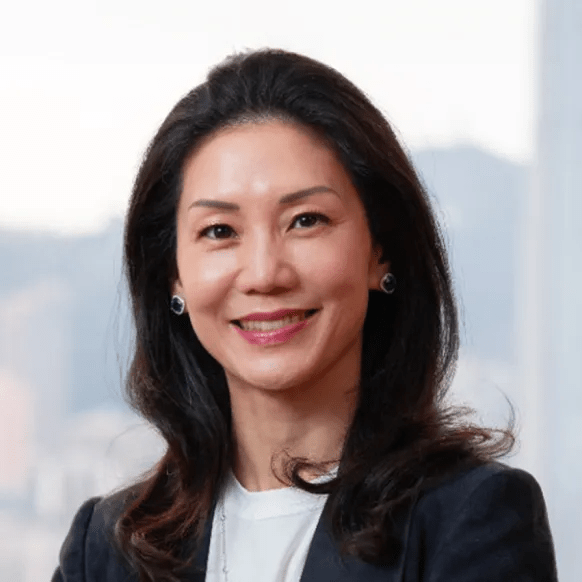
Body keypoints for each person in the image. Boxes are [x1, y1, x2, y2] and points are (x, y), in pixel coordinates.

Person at [52, 49, 558, 582]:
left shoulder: (471, 519)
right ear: (172, 274)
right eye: (220, 231)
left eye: (306, 220)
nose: (264, 273)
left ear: (380, 251)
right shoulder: (106, 548)